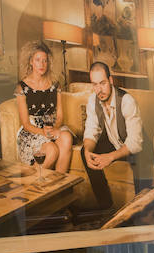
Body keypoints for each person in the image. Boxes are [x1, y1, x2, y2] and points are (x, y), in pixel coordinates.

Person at [82, 61, 143, 210]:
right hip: (114, 142)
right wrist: (87, 150)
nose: (99, 89)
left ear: (110, 80)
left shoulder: (127, 101)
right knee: (85, 152)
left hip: (135, 149)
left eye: (102, 83)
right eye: (95, 84)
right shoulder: (93, 100)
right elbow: (91, 130)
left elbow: (135, 143)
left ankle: (140, 210)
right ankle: (105, 205)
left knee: (140, 164)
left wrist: (111, 157)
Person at [14, 41, 73, 172]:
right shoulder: (22, 87)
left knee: (67, 137)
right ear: (31, 62)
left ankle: (59, 185)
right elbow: (25, 123)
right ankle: (32, 186)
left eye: (45, 60)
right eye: (38, 60)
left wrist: (55, 128)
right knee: (52, 151)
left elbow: (60, 115)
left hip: (52, 127)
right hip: (32, 131)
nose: (42, 64)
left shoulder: (55, 84)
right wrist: (43, 132)